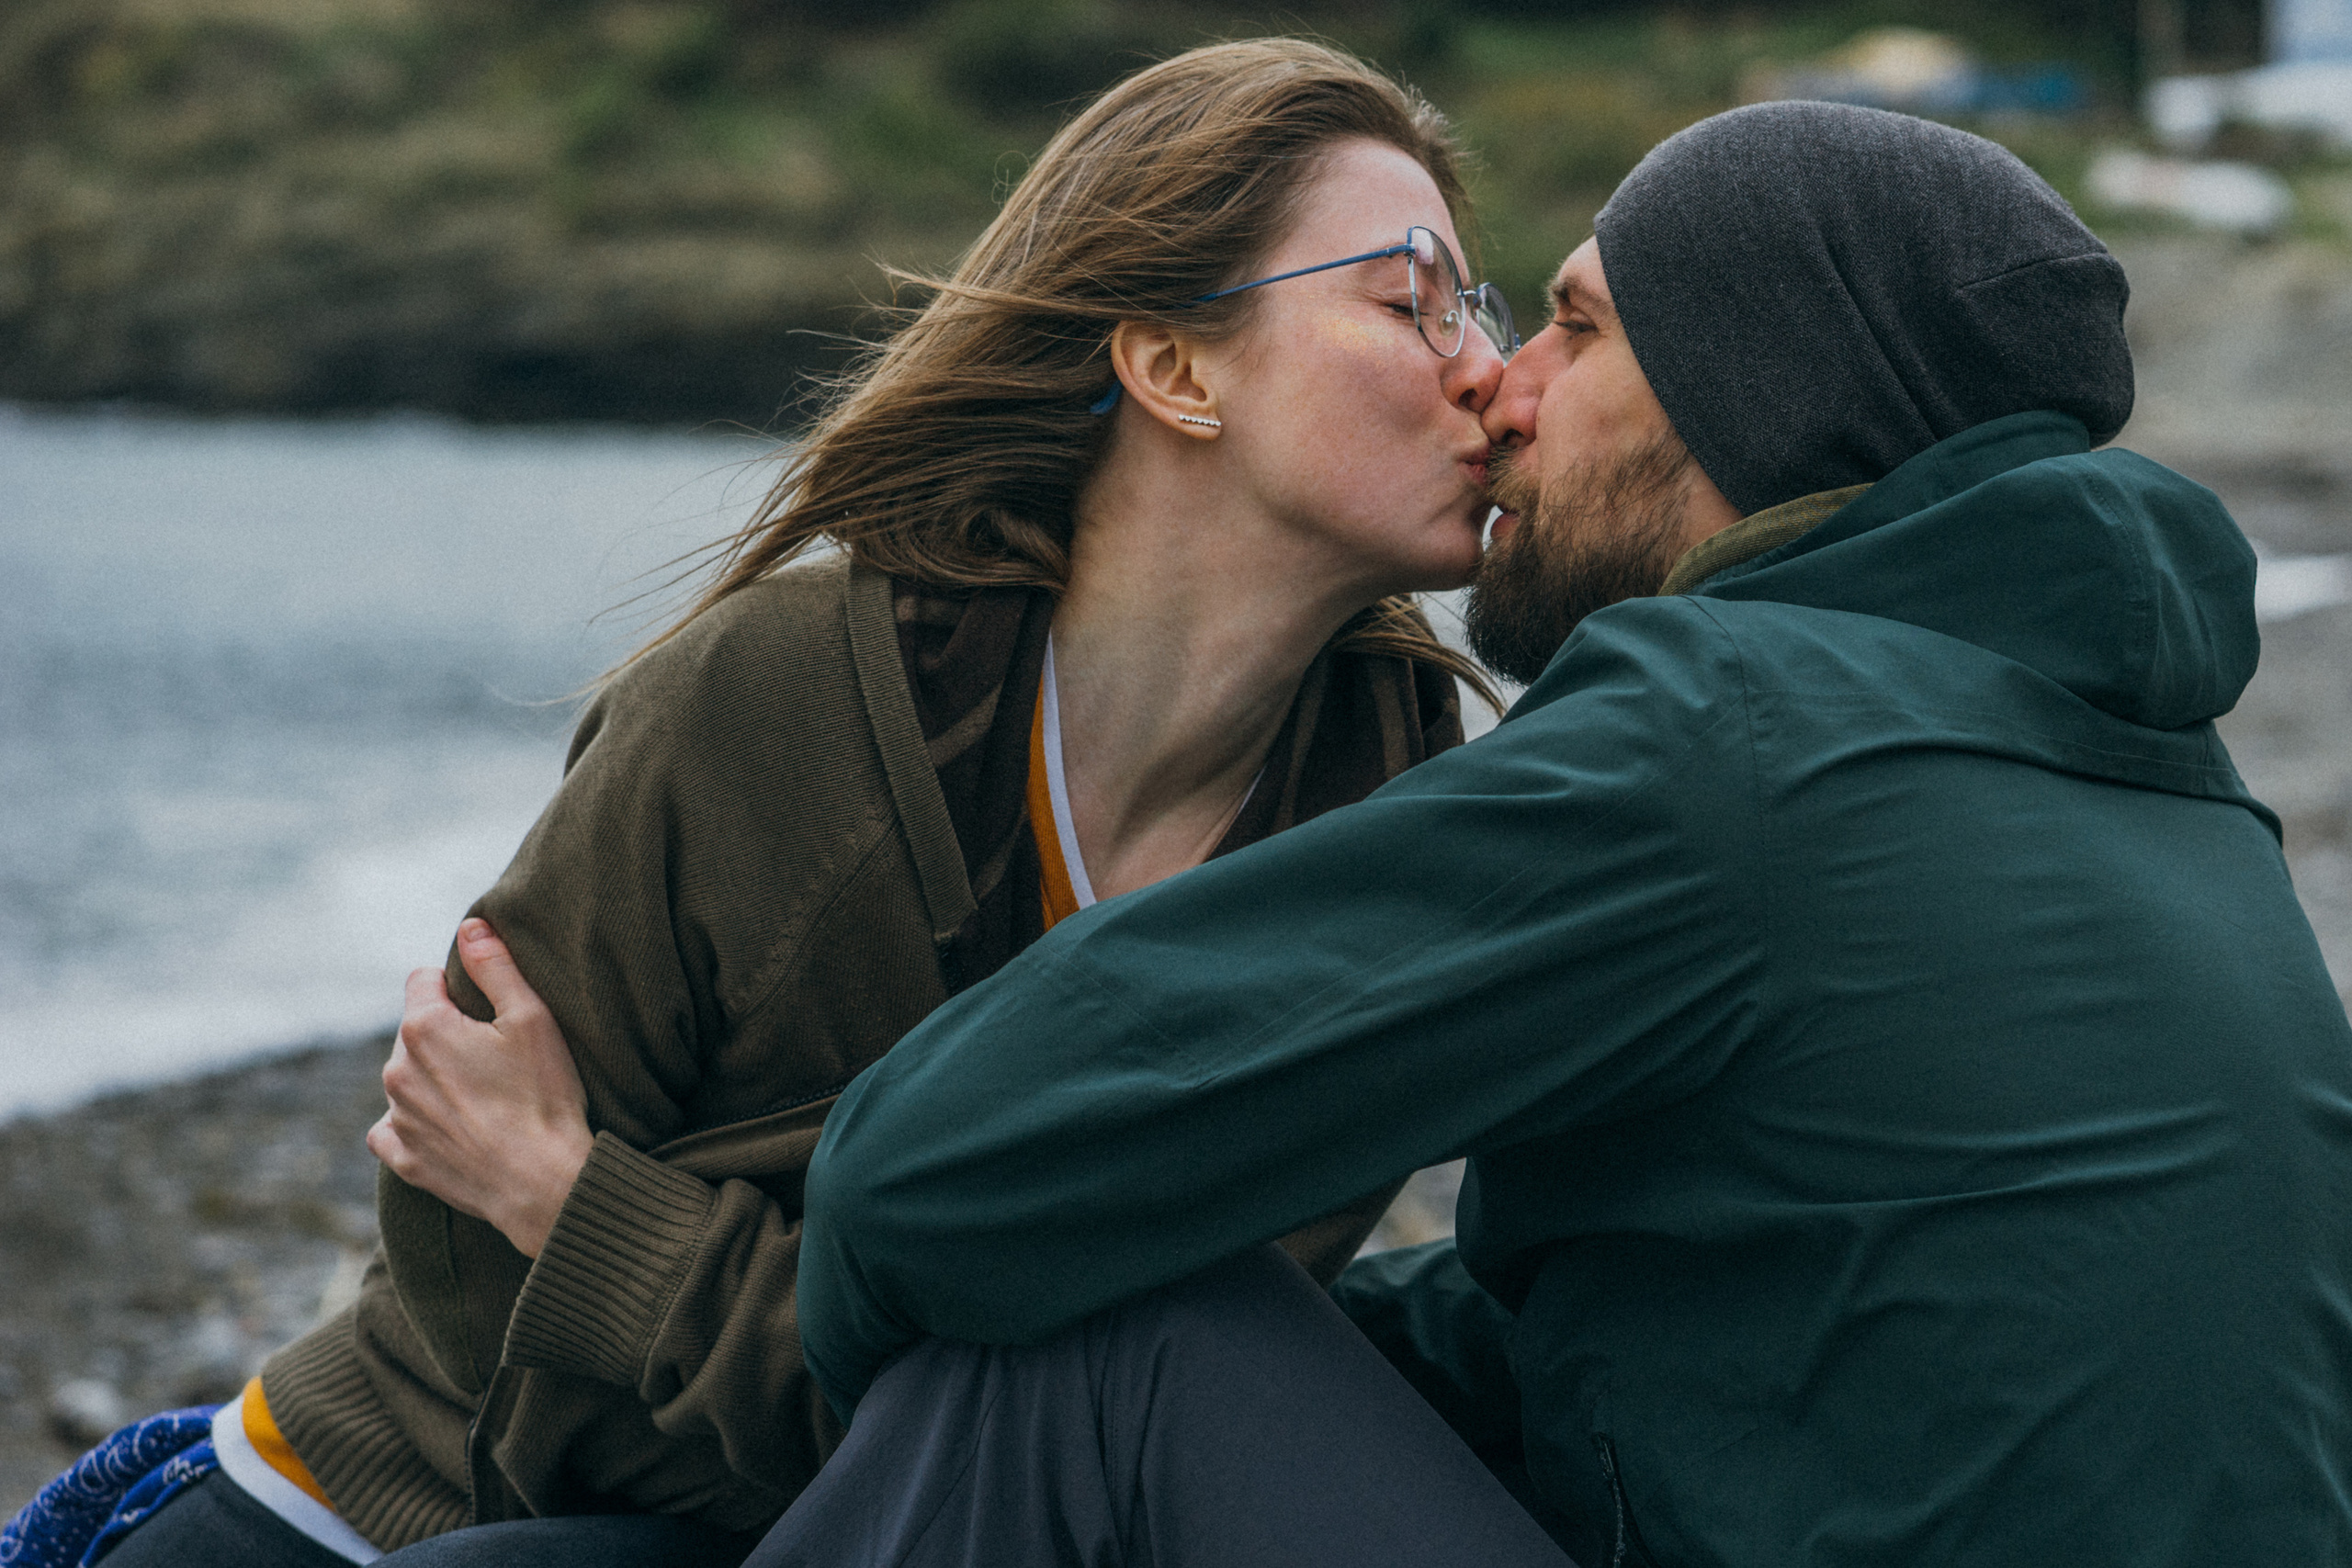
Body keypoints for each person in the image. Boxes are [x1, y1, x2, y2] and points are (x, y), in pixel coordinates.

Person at [544, 101, 2339, 1567]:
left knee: (1109, 1337)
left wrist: (635, 1261)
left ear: (1750, 386)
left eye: (1567, 322)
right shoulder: (2177, 803)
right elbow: (1682, 1324)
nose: (1505, 388)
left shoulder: (1728, 733)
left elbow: (928, 1169)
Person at [17, 39, 1521, 1568]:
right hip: (375, 1513)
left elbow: (1112, 1403)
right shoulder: (782, 699)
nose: (1489, 365)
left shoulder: (1388, 843)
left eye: (1486, 307)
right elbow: (477, 1280)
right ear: (1174, 367)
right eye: (1413, 299)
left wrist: (593, 1218)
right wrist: (854, 1377)